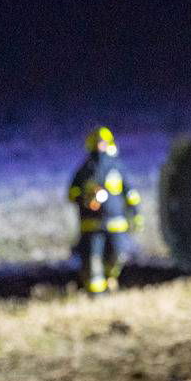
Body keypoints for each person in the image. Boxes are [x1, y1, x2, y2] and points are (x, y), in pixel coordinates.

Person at [68, 126, 143, 294]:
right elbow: (72, 193)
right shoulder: (85, 170)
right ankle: (96, 294)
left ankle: (110, 280)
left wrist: (135, 214)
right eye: (97, 143)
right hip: (92, 225)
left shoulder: (116, 167)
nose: (100, 146)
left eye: (103, 142)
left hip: (116, 224)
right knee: (93, 259)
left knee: (118, 254)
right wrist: (85, 198)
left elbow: (130, 194)